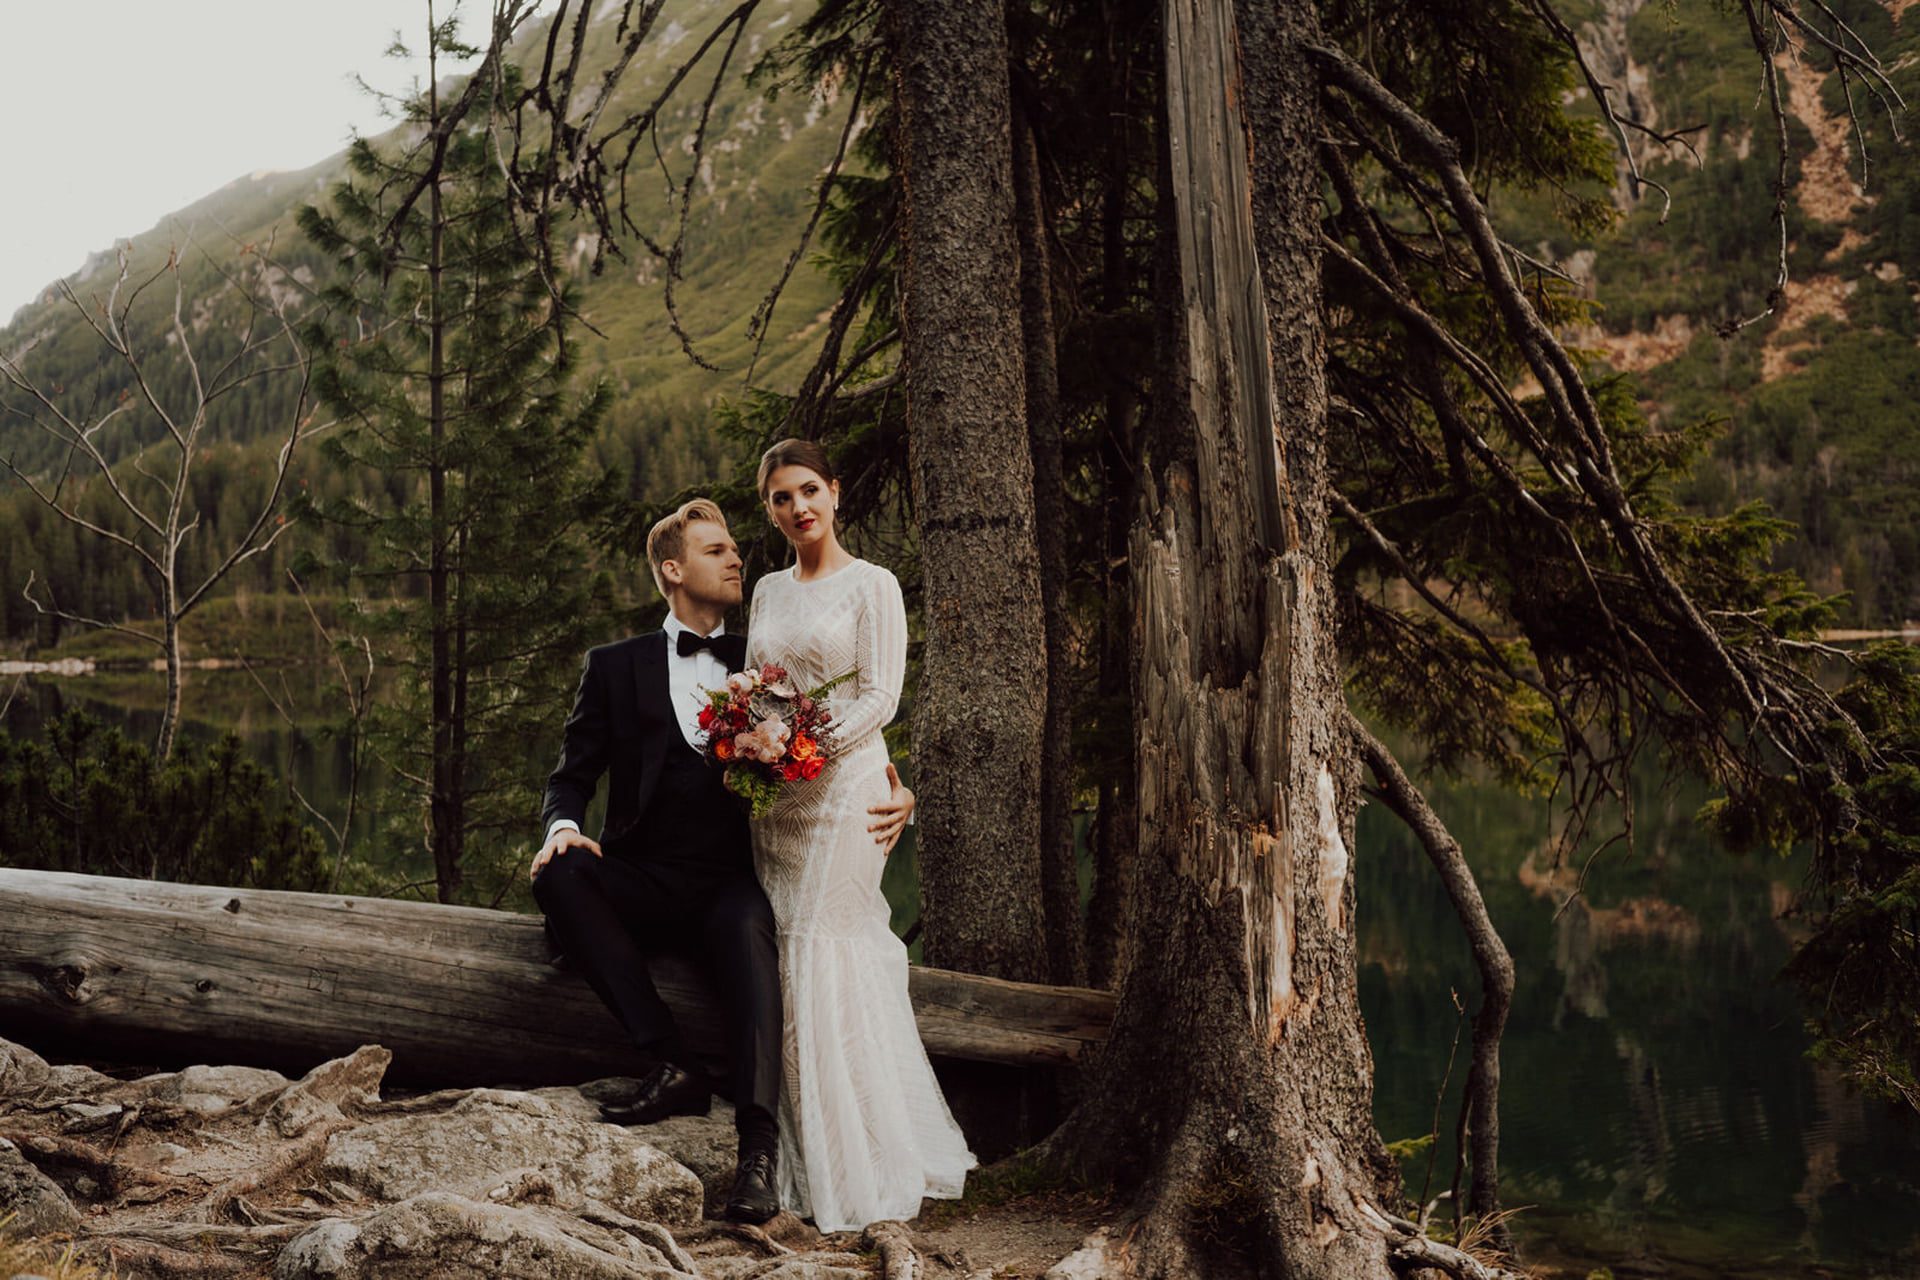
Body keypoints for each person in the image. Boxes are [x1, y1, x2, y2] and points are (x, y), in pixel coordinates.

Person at [528, 498, 917, 1225]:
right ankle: (670, 1061)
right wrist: (564, 826)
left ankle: (760, 1157)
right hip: (643, 875)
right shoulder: (613, 667)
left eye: (736, 547)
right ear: (673, 570)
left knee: (750, 933)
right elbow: (570, 774)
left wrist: (905, 795)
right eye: (716, 550)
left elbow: (840, 743)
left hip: (731, 881)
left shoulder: (765, 661)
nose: (737, 557)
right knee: (562, 873)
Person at [745, 438, 976, 1232]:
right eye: (781, 498)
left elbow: (881, 695)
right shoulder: (768, 591)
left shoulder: (873, 585)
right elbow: (759, 688)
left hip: (844, 789)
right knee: (785, 951)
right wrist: (760, 749)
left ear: (837, 494)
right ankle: (794, 1151)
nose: (798, 508)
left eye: (809, 490)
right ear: (770, 509)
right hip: (776, 803)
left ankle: (861, 1162)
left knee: (824, 945)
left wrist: (807, 750)